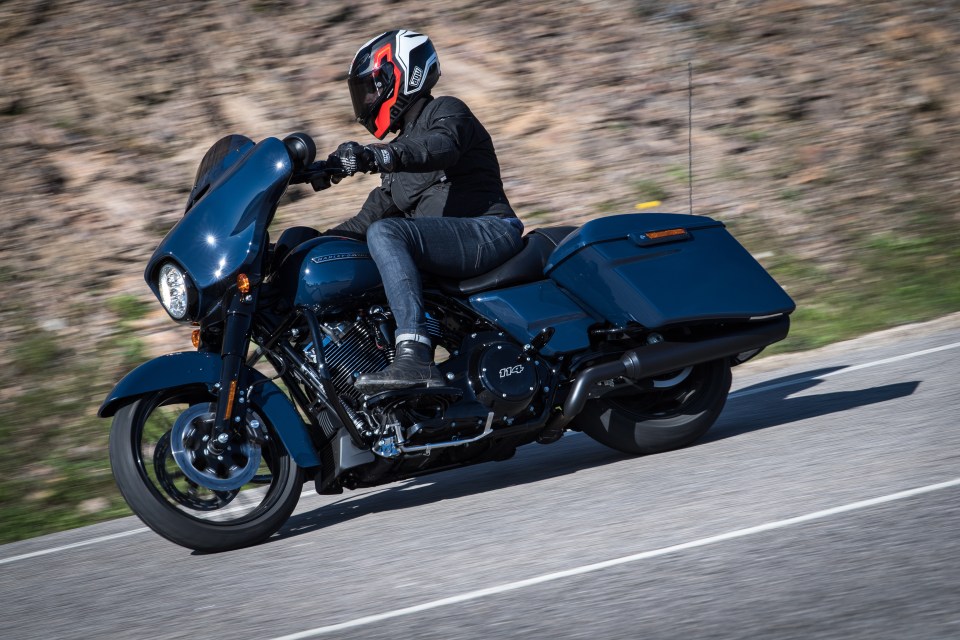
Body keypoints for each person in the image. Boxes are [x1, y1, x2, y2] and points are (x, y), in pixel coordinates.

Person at [319, 29, 524, 394]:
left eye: (370, 88)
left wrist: (376, 155)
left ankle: (414, 355)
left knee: (386, 233)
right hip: (451, 246)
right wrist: (295, 249)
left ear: (400, 75)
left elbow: (440, 147)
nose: (365, 100)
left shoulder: (446, 112)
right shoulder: (400, 160)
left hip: (489, 230)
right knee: (355, 243)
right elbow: (361, 223)